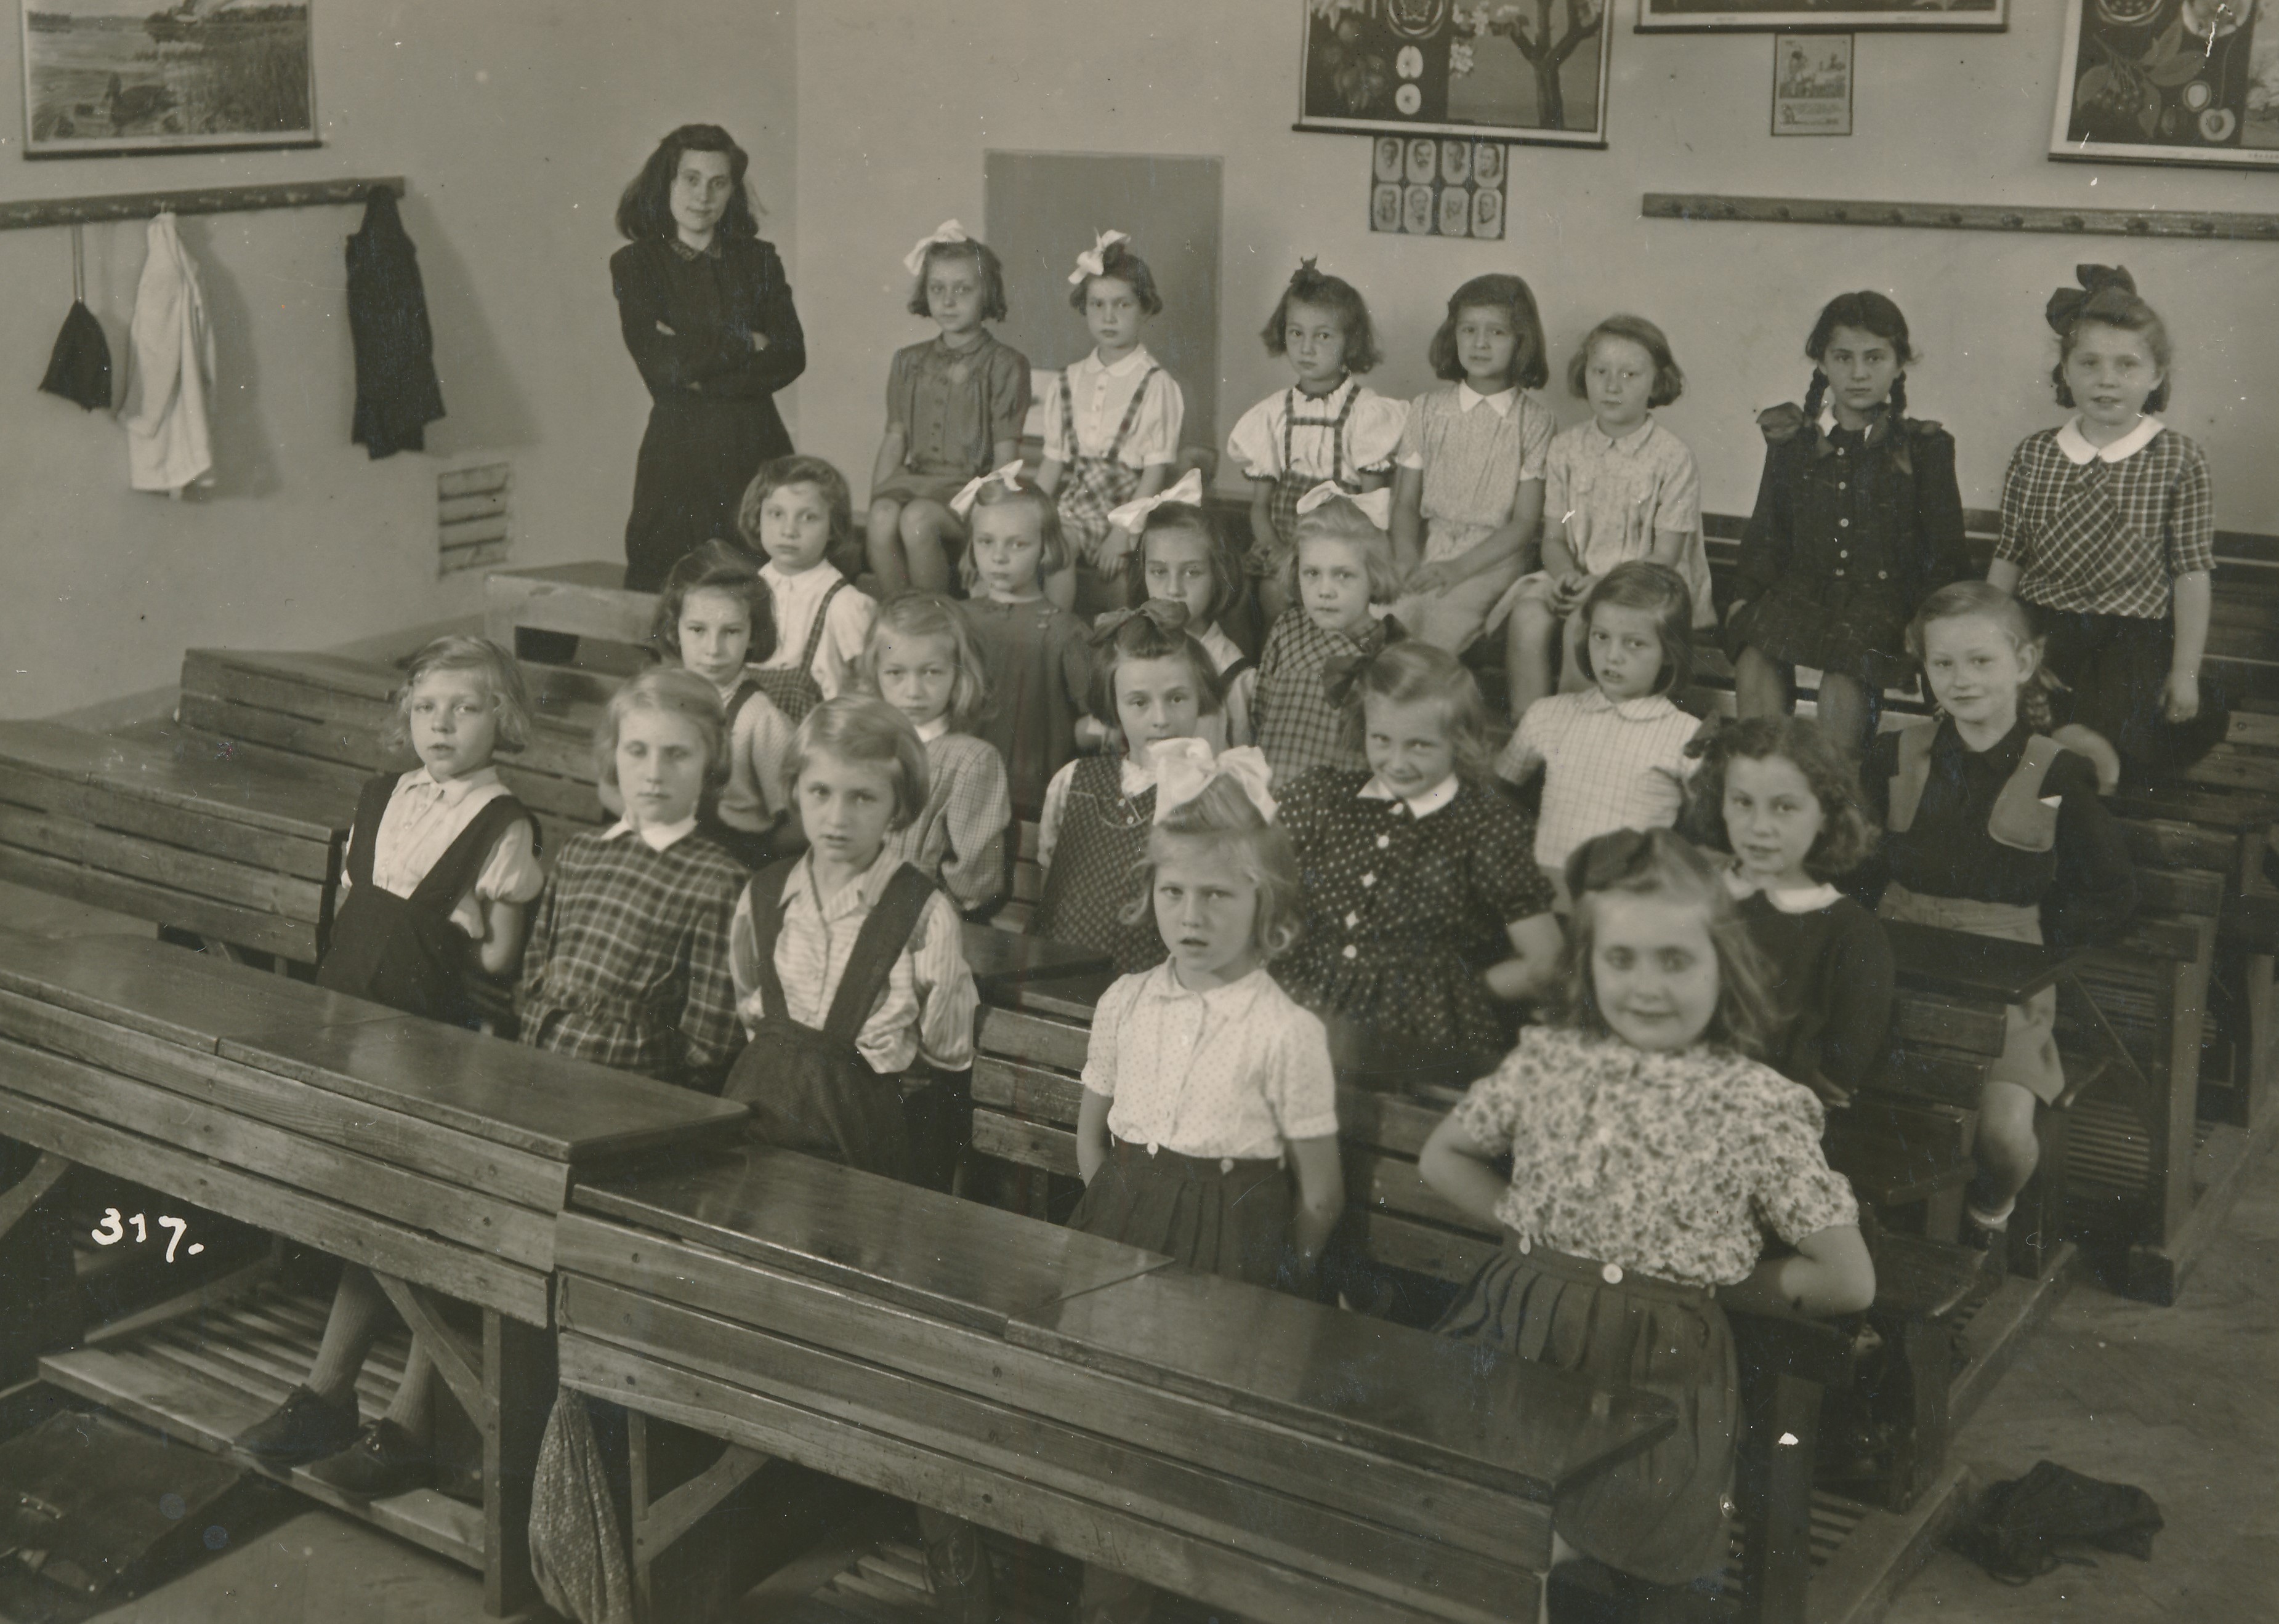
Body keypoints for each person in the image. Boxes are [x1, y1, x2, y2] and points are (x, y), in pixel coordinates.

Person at [1419, 828, 1874, 1618]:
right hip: (1519, 1335)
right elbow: (1442, 1156)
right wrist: (1529, 1226)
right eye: (1620, 960)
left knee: (1609, 1546)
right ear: (1587, 965)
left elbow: (1846, 1278)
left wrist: (1708, 1280)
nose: (1646, 987)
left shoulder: (1753, 1102)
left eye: (1675, 961)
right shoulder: (1550, 1062)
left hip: (1656, 1376)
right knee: (1478, 1525)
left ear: (1722, 967)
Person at [233, 635, 544, 1497]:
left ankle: (410, 1418)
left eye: (466, 708)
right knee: (368, 1212)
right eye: (427, 707)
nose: (442, 724)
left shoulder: (503, 824)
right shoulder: (383, 797)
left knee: (418, 1220)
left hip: (434, 1046)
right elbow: (352, 908)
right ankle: (330, 1395)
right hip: (350, 1029)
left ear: (503, 719)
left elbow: (500, 963)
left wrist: (457, 938)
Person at [1067, 765, 1344, 1624]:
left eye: (1218, 895)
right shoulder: (1125, 1001)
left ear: (1266, 903)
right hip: (1120, 1223)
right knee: (1112, 1427)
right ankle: (1106, 1599)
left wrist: (1274, 1269)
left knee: (1196, 1444)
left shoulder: (1287, 1031)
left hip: (1232, 1246)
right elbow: (1091, 1135)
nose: (1191, 916)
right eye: (1173, 891)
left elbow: (1321, 1194)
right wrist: (1120, 1204)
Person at [1861, 583, 2136, 1269]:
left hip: (2006, 972)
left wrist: (2036, 944)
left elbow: (2107, 890)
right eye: (1943, 664)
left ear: (2024, 663)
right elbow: (1854, 865)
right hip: (1893, 951)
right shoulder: (1895, 754)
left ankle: (1987, 1215)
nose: (1960, 680)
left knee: (2003, 1137)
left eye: (1980, 661)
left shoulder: (2054, 771)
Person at [1276, 642, 1563, 1093]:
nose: (1396, 762)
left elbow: (1547, 963)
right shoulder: (1323, 800)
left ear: (1459, 741)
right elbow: (1260, 895)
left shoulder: (1484, 826)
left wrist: (1460, 991)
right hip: (1306, 1011)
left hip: (1419, 1038)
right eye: (1381, 740)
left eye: (1419, 745)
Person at [724, 697, 978, 1190]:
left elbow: (945, 1050)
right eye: (820, 792)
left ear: (897, 807)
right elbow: (750, 1004)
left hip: (858, 1135)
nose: (837, 818)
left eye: (863, 797)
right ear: (794, 790)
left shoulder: (924, 914)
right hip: (756, 1115)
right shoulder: (765, 894)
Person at [1990, 265, 2222, 786]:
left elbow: (2190, 573)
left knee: (2116, 723)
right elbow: (2009, 555)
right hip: (2045, 626)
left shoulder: (2179, 459)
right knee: (2015, 709)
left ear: (2156, 375)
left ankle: (2082, 780)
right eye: (2089, 363)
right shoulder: (2035, 455)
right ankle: (2064, 780)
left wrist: (2184, 672)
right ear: (2065, 372)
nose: (2106, 379)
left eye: (2126, 365)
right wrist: (1993, 638)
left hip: (2131, 638)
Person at [1727, 292, 1967, 757]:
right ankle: (1763, 774)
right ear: (1822, 363)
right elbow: (1768, 531)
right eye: (1843, 358)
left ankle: (1837, 786)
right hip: (1803, 592)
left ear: (1898, 365)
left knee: (1848, 668)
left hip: (1882, 602)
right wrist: (1743, 596)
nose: (1858, 373)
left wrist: (1926, 622)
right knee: (1755, 651)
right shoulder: (1794, 442)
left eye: (1874, 358)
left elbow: (1944, 552)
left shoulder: (1924, 449)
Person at [518, 668, 748, 1092]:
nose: (654, 773)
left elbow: (711, 1040)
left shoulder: (720, 882)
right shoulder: (580, 852)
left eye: (677, 755)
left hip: (629, 1095)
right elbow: (536, 965)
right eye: (637, 751)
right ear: (614, 757)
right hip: (535, 1065)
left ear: (710, 764)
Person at [611, 124, 804, 592]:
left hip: (755, 444)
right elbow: (661, 366)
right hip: (678, 453)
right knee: (669, 587)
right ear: (667, 183)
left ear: (732, 190)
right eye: (691, 179)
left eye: (718, 183)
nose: (704, 196)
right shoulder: (636, 264)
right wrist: (746, 342)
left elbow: (790, 354)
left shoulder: (760, 260)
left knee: (764, 586)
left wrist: (698, 363)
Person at [1503, 315, 1711, 718]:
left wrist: (1600, 587)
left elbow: (1665, 556)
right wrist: (1565, 575)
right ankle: (1528, 732)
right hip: (1578, 579)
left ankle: (1576, 734)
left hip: (1647, 588)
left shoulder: (1672, 458)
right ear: (1584, 374)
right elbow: (1555, 537)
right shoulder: (1566, 449)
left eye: (1630, 374)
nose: (1612, 386)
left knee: (1583, 624)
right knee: (1527, 616)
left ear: (1657, 382)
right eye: (1600, 372)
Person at [1681, 715, 1890, 1109]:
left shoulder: (1850, 931)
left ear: (1826, 814)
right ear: (1719, 802)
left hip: (1771, 1116)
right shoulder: (1688, 895)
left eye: (1785, 807)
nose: (1760, 827)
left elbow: (1838, 1073)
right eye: (1743, 802)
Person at [1496, 562, 1706, 908]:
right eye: (1601, 636)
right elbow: (1500, 791)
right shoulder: (1548, 715)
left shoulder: (1685, 734)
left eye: (1635, 643)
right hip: (1546, 898)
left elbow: (1704, 828)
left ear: (1669, 652)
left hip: (1629, 903)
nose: (1612, 656)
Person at [1031, 603, 1223, 975]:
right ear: (1114, 705)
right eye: (1139, 703)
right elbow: (1049, 888)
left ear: (1201, 697)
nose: (1161, 719)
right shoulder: (1073, 781)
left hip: (1151, 983)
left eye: (1177, 698)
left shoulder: (1210, 794)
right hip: (1059, 974)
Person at [1226, 261, 1405, 622]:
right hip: (1283, 548)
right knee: (1260, 592)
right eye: (1296, 333)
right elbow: (1260, 507)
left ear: (1350, 341)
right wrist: (1278, 552)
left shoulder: (1367, 414)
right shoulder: (1272, 415)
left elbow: (1373, 511)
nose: (1306, 348)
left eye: (1323, 336)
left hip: (1343, 554)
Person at [1388, 273, 1554, 653]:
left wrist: (1458, 569)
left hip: (1491, 560)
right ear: (1454, 335)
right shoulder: (1426, 409)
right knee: (1386, 619)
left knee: (1435, 625)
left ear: (1521, 340)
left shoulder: (1535, 422)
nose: (1480, 343)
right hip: (1428, 546)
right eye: (1469, 330)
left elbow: (1524, 523)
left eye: (1497, 332)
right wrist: (1406, 558)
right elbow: (1405, 503)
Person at [866, 223, 1031, 595]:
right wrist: (879, 497)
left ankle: (935, 616)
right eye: (937, 288)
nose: (948, 301)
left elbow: (1006, 454)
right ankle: (900, 613)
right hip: (915, 481)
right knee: (880, 517)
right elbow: (895, 439)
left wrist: (992, 522)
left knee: (917, 519)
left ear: (987, 293)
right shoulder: (908, 362)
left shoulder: (1006, 364)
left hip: (971, 493)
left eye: (963, 289)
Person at [1037, 231, 1184, 610]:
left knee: (1108, 572)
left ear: (1145, 309)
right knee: (1048, 546)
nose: (1108, 317)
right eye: (1097, 304)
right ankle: (1052, 630)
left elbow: (1154, 474)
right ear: (1084, 308)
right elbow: (1052, 465)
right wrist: (1028, 515)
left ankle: (1086, 638)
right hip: (1077, 507)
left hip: (1131, 508)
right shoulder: (1069, 380)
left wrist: (1122, 532)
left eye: (1122, 305)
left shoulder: (1155, 384)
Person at [642, 541, 794, 871]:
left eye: (731, 632)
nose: (713, 649)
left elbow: (796, 823)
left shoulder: (761, 720)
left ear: (753, 635)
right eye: (698, 629)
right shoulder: (661, 699)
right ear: (674, 630)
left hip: (733, 862)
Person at [861, 592, 1014, 917]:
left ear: (959, 674)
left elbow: (976, 885)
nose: (913, 692)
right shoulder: (860, 745)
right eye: (895, 673)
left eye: (931, 672)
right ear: (875, 673)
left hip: (925, 920)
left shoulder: (971, 761)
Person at [955, 467, 1093, 820]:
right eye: (986, 542)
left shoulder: (1065, 632)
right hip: (961, 788)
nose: (999, 557)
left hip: (1032, 798)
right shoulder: (956, 621)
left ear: (1046, 548)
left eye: (1017, 544)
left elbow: (1091, 719)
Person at [1253, 489, 1405, 789]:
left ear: (1375, 578)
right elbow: (1260, 709)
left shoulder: (1392, 649)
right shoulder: (1287, 629)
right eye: (1312, 574)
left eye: (1343, 575)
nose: (1325, 591)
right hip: (1275, 788)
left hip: (1345, 800)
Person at [1111, 476, 1259, 749]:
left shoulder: (1232, 671)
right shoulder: (1128, 646)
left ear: (1218, 576)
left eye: (1192, 573)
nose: (1173, 589)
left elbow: (1242, 755)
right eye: (1159, 572)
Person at [741, 455, 876, 724]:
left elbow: (869, 687)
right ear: (758, 518)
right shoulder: (746, 591)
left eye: (808, 517)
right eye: (776, 514)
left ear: (833, 527)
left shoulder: (845, 604)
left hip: (815, 734)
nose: (789, 530)